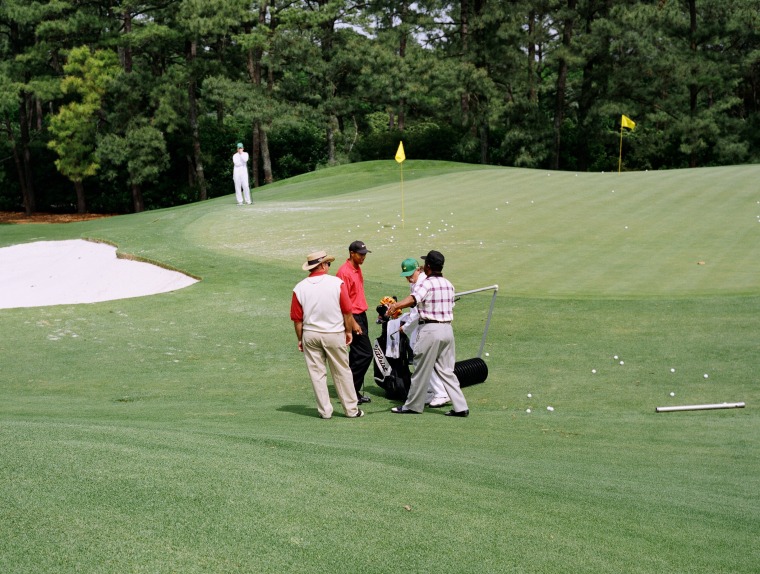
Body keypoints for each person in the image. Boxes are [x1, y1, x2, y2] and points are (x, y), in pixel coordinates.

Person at [386, 250, 469, 417]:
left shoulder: (427, 283)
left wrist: (397, 306)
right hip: (447, 330)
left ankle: (412, 406)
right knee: (446, 371)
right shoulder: (448, 283)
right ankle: (461, 407)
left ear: (428, 267)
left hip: (431, 329)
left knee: (421, 368)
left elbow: (414, 299)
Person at [291, 250, 364, 419]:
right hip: (334, 332)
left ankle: (325, 411)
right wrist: (348, 331)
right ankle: (351, 410)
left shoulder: (300, 287)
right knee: (342, 371)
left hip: (310, 334)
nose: (329, 266)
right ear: (322, 265)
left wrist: (300, 339)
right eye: (328, 264)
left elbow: (297, 320)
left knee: (317, 374)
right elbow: (347, 312)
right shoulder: (336, 283)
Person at [398, 257, 451, 408]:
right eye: (406, 276)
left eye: (410, 274)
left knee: (423, 360)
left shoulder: (421, 284)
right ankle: (430, 392)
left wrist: (405, 327)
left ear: (418, 269)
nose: (409, 278)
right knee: (422, 359)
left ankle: (440, 393)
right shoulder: (417, 282)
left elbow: (416, 313)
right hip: (425, 326)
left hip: (426, 327)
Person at [336, 240, 373, 404]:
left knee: (357, 355)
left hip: (360, 314)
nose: (363, 257)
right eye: (360, 254)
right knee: (365, 354)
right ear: (352, 253)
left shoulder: (357, 268)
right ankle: (350, 392)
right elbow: (343, 302)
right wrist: (352, 323)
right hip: (353, 317)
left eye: (365, 254)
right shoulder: (344, 272)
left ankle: (352, 392)